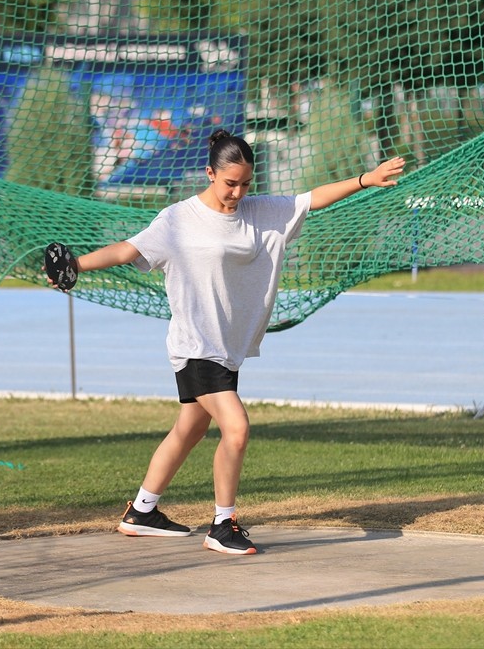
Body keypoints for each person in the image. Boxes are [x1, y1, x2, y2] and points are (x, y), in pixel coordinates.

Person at [46, 129, 405, 555]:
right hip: (197, 346)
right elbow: (129, 250)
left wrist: (365, 178)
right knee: (236, 429)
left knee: (190, 429)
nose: (237, 192)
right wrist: (76, 266)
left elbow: (312, 198)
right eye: (229, 183)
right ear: (209, 173)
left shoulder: (262, 213)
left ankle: (141, 511)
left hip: (226, 348)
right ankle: (223, 524)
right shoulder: (179, 219)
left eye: (245, 183)